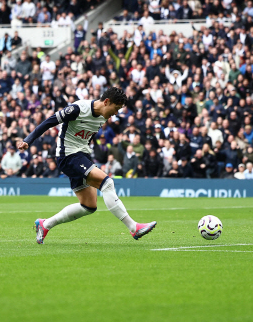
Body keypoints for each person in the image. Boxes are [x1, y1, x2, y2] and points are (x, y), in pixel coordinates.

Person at [17, 87, 156, 243]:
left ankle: (45, 224)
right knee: (107, 183)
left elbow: (85, 136)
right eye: (116, 108)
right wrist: (28, 140)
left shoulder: (103, 116)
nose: (115, 113)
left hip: (81, 155)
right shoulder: (77, 109)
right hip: (68, 156)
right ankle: (134, 228)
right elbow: (48, 122)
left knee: (89, 206)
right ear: (106, 102)